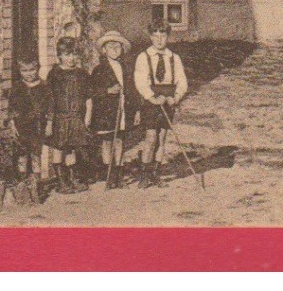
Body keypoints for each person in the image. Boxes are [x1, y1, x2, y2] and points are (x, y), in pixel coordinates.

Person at [132, 19, 189, 188]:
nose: (159, 40)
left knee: (162, 137)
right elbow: (140, 81)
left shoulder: (174, 58)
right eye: (155, 36)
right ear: (150, 37)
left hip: (168, 98)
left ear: (168, 37)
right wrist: (152, 97)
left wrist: (176, 97)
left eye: (162, 36)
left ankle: (156, 173)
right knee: (151, 137)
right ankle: (145, 174)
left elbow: (182, 81)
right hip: (151, 100)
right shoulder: (144, 57)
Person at [43, 36, 93, 194]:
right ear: (59, 56)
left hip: (76, 116)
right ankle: (61, 181)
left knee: (72, 149)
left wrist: (87, 117)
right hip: (60, 117)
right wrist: (50, 122)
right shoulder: (55, 74)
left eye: (74, 54)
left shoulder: (82, 74)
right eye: (67, 54)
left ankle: (73, 179)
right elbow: (50, 99)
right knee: (59, 148)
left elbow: (88, 97)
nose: (71, 58)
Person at [88, 30, 135, 189]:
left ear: (122, 49)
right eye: (111, 46)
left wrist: (135, 110)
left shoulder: (126, 68)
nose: (114, 49)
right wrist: (108, 91)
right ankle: (109, 175)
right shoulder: (99, 70)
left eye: (118, 46)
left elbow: (132, 90)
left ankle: (119, 174)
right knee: (107, 141)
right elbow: (92, 92)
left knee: (120, 141)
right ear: (104, 50)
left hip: (122, 110)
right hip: (105, 111)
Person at [0, 60, 50, 206]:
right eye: (25, 71)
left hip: (37, 126)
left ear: (37, 70)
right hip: (21, 126)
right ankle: (23, 187)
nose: (29, 74)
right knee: (22, 155)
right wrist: (12, 124)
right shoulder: (17, 87)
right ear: (20, 72)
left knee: (35, 155)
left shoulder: (44, 86)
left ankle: (37, 188)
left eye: (32, 70)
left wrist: (49, 123)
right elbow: (12, 108)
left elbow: (50, 105)